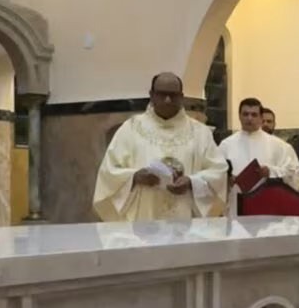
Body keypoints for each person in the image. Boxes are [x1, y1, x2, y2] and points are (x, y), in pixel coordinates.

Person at [93, 72, 228, 221]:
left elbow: (218, 172)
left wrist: (191, 182)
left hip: (185, 218)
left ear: (182, 97)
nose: (168, 100)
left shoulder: (199, 132)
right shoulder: (131, 129)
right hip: (144, 218)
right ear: (151, 95)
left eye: (173, 95)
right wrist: (135, 177)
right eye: (162, 94)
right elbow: (109, 172)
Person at [219, 97, 299, 207]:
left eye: (254, 115)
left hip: (269, 208)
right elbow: (214, 175)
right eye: (245, 114)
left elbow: (295, 174)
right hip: (236, 207)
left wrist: (271, 172)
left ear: (261, 118)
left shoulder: (279, 145)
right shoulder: (226, 145)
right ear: (239, 116)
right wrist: (226, 181)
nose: (249, 118)